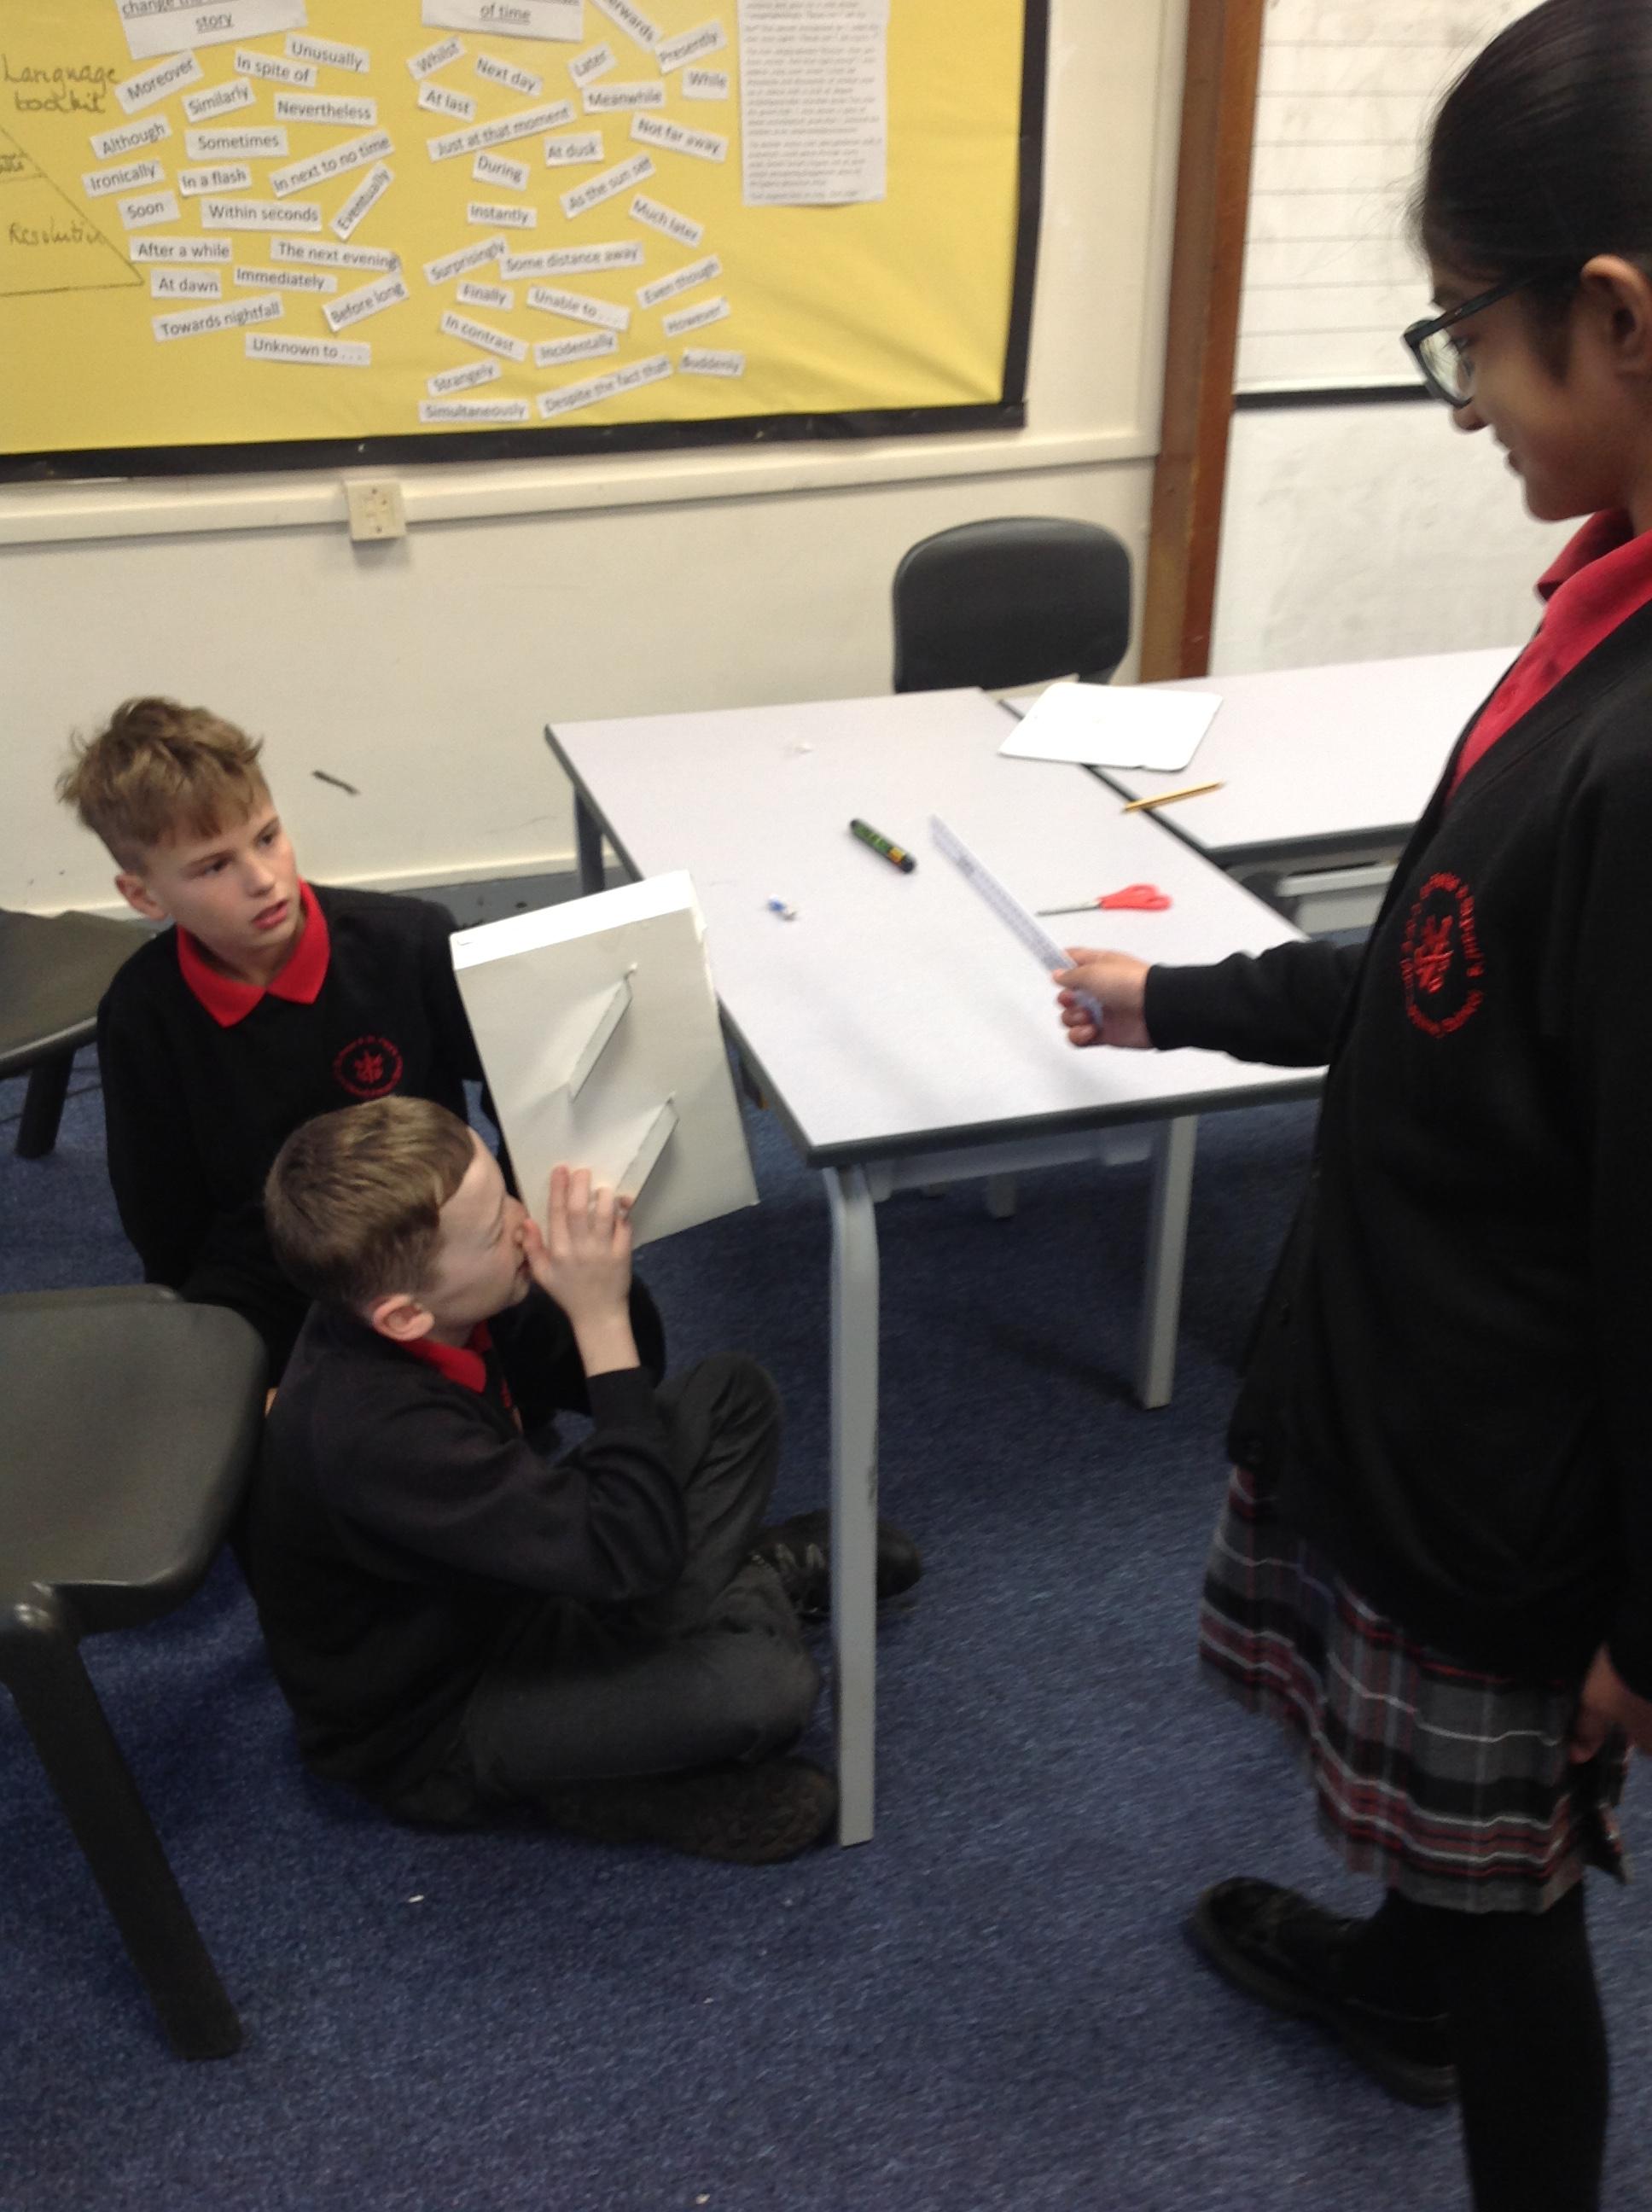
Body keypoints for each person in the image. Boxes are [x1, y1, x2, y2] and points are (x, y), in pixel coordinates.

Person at [1055, 6, 1652, 2205]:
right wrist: (1184, 995)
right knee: (1443, 1841)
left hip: (1513, 1486)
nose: (1464, 399)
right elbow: (1437, 972)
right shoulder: (1600, 602)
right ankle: (1401, 1975)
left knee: (1515, 1902)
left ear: (1614, 317)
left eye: (1467, 338)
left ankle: (1467, 2039)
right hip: (1421, 1387)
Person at [249, 1095, 916, 1861]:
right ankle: (630, 1748)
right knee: (769, 1687)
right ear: (404, 1318)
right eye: (497, 1229)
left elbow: (626, 1377)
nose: (523, 1220)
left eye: (505, 1191)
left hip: (509, 1581)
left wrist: (601, 1290)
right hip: (440, 1716)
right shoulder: (376, 1433)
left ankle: (700, 1609)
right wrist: (598, 1319)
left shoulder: (442, 1303)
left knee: (732, 1394)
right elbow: (626, 1548)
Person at [55, 696, 665, 1382]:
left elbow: (523, 1088)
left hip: (440, 1244)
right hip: (276, 1270)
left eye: (267, 837)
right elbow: (161, 1211)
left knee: (620, 1321)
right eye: (213, 866)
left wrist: (511, 1215)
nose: (263, 879)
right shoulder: (143, 1013)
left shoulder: (408, 941)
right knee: (223, 1390)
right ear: (143, 896)